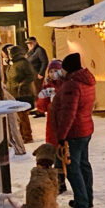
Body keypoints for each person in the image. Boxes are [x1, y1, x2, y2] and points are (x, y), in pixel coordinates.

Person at [49, 52, 96, 208]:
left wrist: (61, 136)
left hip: (74, 132)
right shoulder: (86, 80)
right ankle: (86, 198)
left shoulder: (72, 86)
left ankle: (81, 207)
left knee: (72, 169)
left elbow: (68, 114)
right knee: (84, 165)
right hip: (85, 128)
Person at [35, 59, 67, 193]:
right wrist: (42, 97)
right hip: (51, 125)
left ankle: (62, 181)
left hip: (64, 123)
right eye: (51, 71)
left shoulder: (66, 85)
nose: (53, 74)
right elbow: (41, 108)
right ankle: (58, 181)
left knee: (63, 154)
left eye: (56, 71)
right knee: (53, 152)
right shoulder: (47, 85)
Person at [7, 45, 39, 143]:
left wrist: (22, 84)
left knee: (23, 115)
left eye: (10, 53)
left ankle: (27, 135)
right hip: (15, 93)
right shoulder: (13, 64)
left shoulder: (24, 63)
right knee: (19, 116)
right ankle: (22, 135)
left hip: (23, 93)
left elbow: (32, 75)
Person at [25, 36, 49, 101]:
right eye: (28, 43)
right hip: (31, 75)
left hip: (37, 74)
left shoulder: (39, 50)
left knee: (37, 91)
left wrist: (41, 73)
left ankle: (39, 106)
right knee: (33, 91)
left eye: (31, 43)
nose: (29, 45)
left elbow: (45, 62)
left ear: (35, 42)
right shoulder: (30, 51)